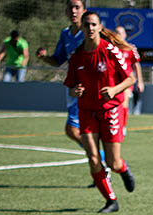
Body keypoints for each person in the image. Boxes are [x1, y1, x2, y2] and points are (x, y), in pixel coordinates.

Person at [64, 11, 137, 213]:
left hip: (110, 111)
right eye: (86, 25)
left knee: (113, 162)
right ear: (83, 28)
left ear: (99, 27)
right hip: (86, 112)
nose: (90, 28)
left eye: (93, 24)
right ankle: (111, 201)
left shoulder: (111, 50)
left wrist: (113, 90)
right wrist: (74, 90)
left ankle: (123, 168)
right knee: (93, 158)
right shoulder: (76, 56)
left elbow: (130, 79)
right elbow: (70, 85)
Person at [37, 0, 108, 185]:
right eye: (70, 7)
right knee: (77, 132)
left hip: (87, 91)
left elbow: (106, 54)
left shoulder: (91, 33)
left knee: (74, 130)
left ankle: (101, 163)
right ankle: (100, 162)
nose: (73, 11)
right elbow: (59, 60)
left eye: (77, 7)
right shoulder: (65, 34)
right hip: (73, 90)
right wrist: (45, 58)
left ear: (84, 10)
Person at [114, 26, 144, 130]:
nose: (119, 35)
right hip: (113, 81)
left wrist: (140, 82)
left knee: (124, 102)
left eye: (121, 33)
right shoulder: (111, 48)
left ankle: (122, 126)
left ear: (125, 35)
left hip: (127, 81)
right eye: (117, 33)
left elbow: (136, 65)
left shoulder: (130, 48)